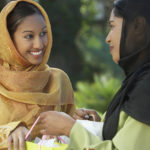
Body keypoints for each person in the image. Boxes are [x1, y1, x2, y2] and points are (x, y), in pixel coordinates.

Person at [39, 0, 150, 149]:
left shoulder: (146, 90)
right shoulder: (138, 80)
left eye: (112, 26)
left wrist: (70, 129)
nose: (108, 38)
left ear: (138, 27)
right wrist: (99, 126)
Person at [0, 0, 75, 149]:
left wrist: (81, 122)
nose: (39, 44)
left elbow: (70, 137)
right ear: (8, 39)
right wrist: (10, 130)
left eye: (43, 33)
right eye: (29, 36)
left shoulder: (58, 80)